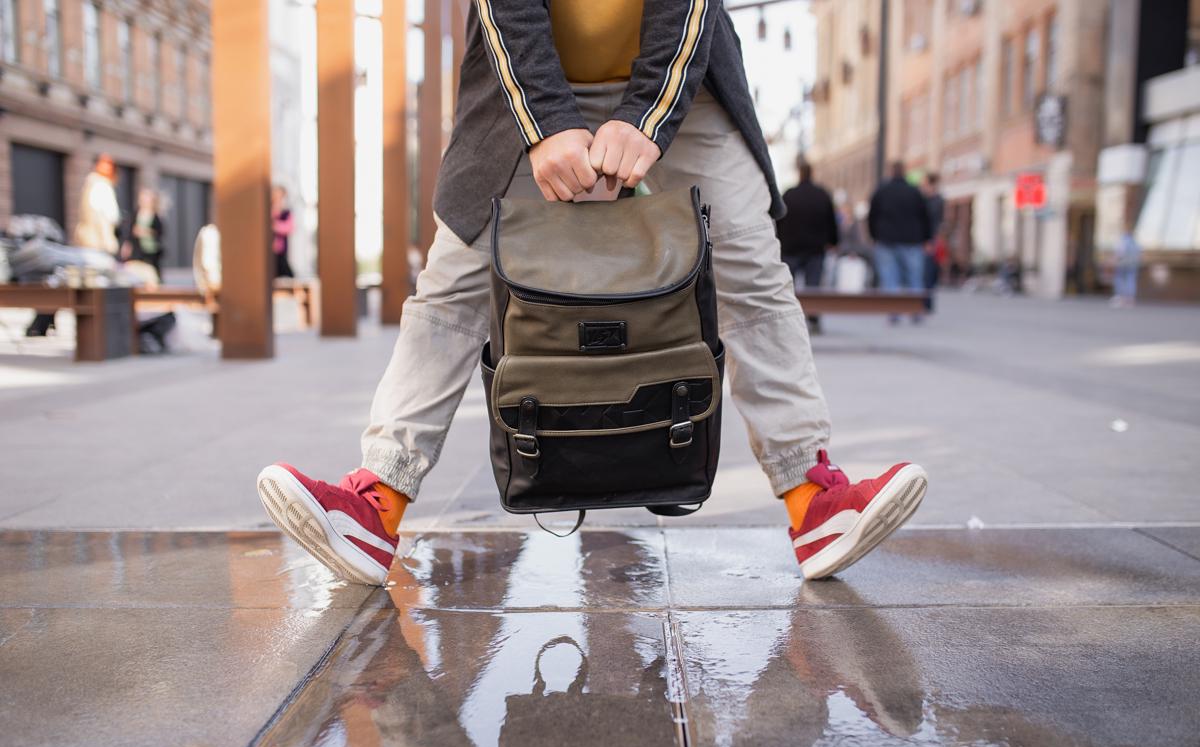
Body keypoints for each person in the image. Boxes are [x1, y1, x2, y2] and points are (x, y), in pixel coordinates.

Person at [255, 0, 929, 586]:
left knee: (752, 270)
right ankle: (379, 504)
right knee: (454, 285)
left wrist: (646, 118)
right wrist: (548, 122)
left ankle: (812, 502)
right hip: (526, 84)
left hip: (682, 81)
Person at [28, 153, 121, 337]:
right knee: (95, 286)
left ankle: (42, 324)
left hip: (88, 244)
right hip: (97, 247)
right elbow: (111, 216)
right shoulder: (101, 186)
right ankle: (98, 335)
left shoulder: (90, 184)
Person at [776, 160, 838, 333]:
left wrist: (779, 240)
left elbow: (779, 221)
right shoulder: (822, 195)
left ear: (799, 173)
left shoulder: (789, 195)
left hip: (791, 247)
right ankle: (814, 319)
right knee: (814, 285)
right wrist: (833, 241)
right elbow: (831, 221)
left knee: (788, 286)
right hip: (815, 248)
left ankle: (788, 320)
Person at [868, 161, 932, 324]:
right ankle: (915, 311)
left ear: (891, 172)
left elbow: (872, 216)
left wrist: (874, 235)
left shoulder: (882, 191)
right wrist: (927, 238)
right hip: (912, 240)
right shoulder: (914, 192)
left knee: (890, 278)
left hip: (886, 239)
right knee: (914, 277)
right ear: (904, 172)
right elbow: (925, 216)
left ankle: (893, 311)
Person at [123, 188, 165, 279]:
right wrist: (127, 245)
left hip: (151, 250)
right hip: (138, 249)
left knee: (153, 271)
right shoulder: (135, 214)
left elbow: (160, 232)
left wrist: (146, 232)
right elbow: (129, 232)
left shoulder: (155, 215)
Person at [922, 172, 945, 313]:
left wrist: (930, 241)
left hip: (930, 240)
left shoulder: (936, 201)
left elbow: (934, 223)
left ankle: (927, 302)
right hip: (927, 239)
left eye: (925, 184)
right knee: (925, 272)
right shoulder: (928, 200)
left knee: (929, 272)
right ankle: (924, 302)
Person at [1111, 228, 1141, 307]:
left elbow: (1119, 252)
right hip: (1133, 264)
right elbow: (1139, 254)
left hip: (1123, 264)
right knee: (1131, 280)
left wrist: (1115, 260)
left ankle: (1121, 297)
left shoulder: (1123, 241)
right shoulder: (1135, 243)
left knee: (1120, 280)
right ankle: (1129, 298)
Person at [271, 186, 295, 279]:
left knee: (285, 272)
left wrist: (275, 226)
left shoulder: (286, 213)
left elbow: (289, 228)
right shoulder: (270, 212)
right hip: (271, 250)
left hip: (281, 250)